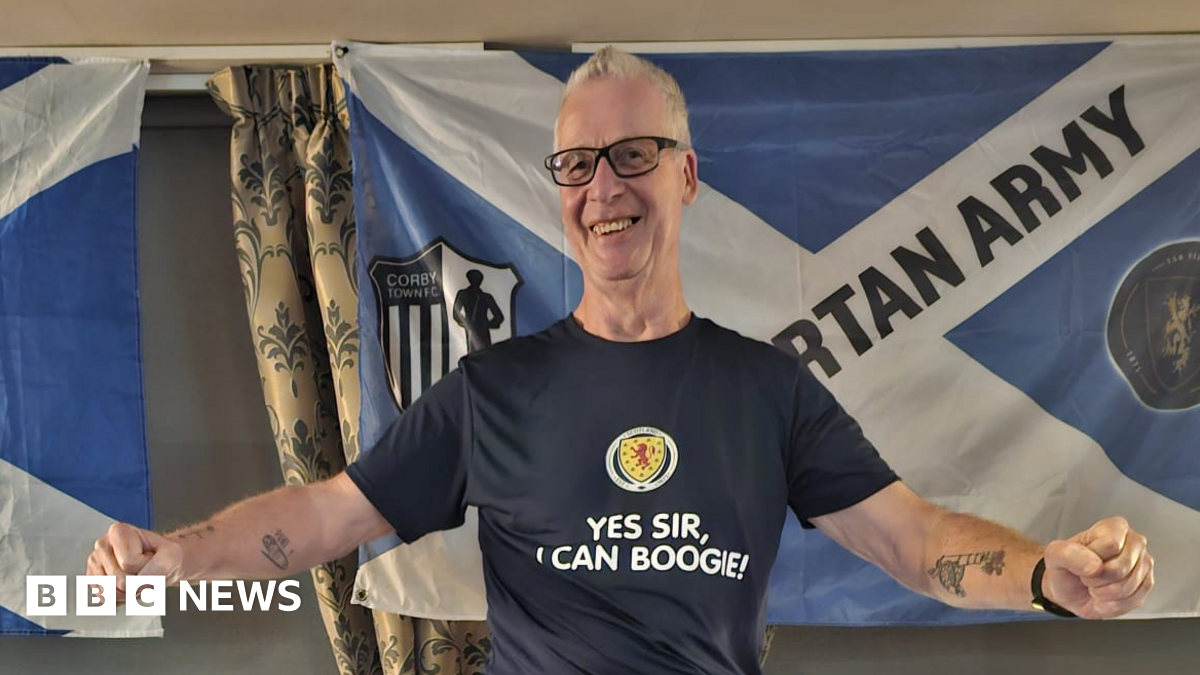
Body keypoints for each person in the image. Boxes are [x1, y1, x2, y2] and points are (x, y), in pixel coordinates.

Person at [90, 48, 1153, 674]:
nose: (605, 187)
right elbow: (326, 515)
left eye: (633, 156)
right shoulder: (492, 394)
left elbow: (917, 545)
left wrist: (1043, 576)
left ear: (686, 176)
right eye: (578, 164)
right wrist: (177, 556)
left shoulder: (766, 389)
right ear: (561, 191)